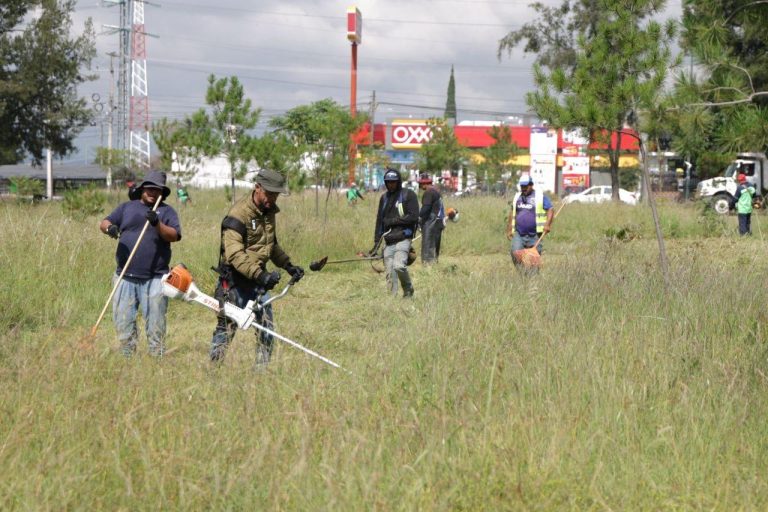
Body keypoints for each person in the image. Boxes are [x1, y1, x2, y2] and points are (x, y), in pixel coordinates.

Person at [209, 168, 304, 366]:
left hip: (258, 283)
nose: (273, 198)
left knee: (266, 329)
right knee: (226, 329)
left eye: (276, 194)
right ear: (257, 188)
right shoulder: (238, 214)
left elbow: (271, 245)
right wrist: (260, 275)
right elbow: (235, 254)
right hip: (235, 282)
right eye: (269, 193)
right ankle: (214, 371)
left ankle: (261, 374)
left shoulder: (269, 212)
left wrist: (288, 265)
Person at [99, 170, 182, 357]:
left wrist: (157, 223)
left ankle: (156, 360)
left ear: (162, 192)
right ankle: (128, 359)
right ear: (143, 189)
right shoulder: (127, 207)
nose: (152, 193)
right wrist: (110, 228)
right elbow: (104, 222)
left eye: (157, 190)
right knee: (123, 322)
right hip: (124, 276)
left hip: (155, 279)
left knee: (155, 325)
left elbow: (174, 235)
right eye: (149, 189)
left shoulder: (167, 211)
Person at [374, 168, 419, 297]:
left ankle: (408, 290)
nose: (391, 184)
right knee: (389, 272)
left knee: (399, 266)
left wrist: (393, 221)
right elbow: (379, 222)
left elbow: (413, 216)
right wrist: (376, 243)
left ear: (398, 182)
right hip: (389, 240)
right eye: (388, 182)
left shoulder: (408, 195)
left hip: (404, 237)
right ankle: (392, 300)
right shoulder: (384, 198)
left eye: (393, 182)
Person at [505, 174, 554, 274]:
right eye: (522, 186)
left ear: (531, 185)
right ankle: (523, 274)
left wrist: (547, 224)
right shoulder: (517, 197)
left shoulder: (540, 197)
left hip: (535, 235)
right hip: (519, 233)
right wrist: (509, 228)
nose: (523, 188)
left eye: (525, 186)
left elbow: (550, 209)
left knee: (533, 262)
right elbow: (512, 211)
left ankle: (532, 281)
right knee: (515, 252)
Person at [417, 173, 445, 264]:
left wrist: (418, 216)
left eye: (420, 184)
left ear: (424, 184)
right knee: (435, 246)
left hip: (432, 223)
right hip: (439, 222)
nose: (420, 186)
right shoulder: (436, 191)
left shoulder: (428, 192)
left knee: (427, 245)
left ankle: (427, 267)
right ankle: (434, 265)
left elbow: (426, 208)